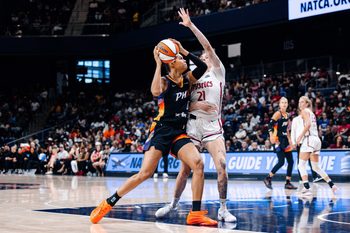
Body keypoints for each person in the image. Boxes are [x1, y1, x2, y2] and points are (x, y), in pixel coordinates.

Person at [90, 38, 218, 226]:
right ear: (171, 62)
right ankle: (108, 203)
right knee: (144, 174)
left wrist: (182, 50)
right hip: (161, 131)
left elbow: (202, 67)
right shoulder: (165, 81)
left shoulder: (187, 80)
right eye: (181, 59)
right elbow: (155, 91)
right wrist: (158, 63)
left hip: (178, 132)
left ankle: (196, 213)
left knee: (198, 163)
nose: (185, 61)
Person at [155, 8, 236, 222]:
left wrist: (190, 26)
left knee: (222, 166)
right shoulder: (192, 77)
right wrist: (197, 104)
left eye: (207, 54)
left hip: (211, 126)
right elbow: (181, 104)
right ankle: (173, 203)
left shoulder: (218, 72)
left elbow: (207, 45)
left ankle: (223, 208)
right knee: (185, 169)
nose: (206, 55)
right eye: (203, 55)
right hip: (191, 125)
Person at [296, 96, 337, 195]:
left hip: (309, 139)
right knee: (315, 167)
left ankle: (306, 188)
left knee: (301, 165)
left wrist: (300, 136)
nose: (300, 104)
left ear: (306, 104)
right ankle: (332, 185)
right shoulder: (312, 113)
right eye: (299, 102)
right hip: (316, 140)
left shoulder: (305, 111)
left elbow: (308, 124)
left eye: (302, 102)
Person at [263, 97, 297, 190]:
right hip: (277, 139)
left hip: (285, 140)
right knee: (281, 162)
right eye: (282, 102)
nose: (284, 104)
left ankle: (288, 183)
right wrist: (271, 136)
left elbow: (287, 129)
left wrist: (290, 141)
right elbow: (270, 125)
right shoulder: (278, 113)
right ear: (279, 104)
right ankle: (268, 178)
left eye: (286, 102)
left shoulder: (288, 115)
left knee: (291, 161)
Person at [291, 109, 322, 183]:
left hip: (307, 140)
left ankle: (315, 176)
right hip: (300, 142)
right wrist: (293, 142)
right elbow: (293, 131)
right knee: (300, 162)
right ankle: (301, 178)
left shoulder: (307, 118)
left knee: (311, 159)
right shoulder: (295, 120)